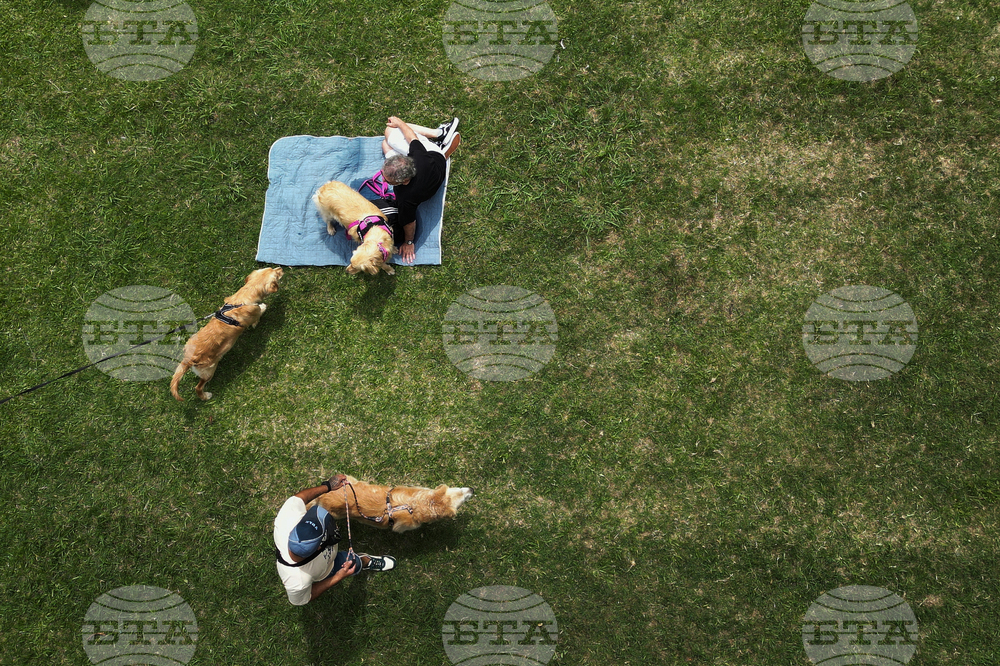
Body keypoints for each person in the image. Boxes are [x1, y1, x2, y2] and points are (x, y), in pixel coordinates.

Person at [273, 475, 396, 606]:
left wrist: (327, 486)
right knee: (353, 564)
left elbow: (300, 498)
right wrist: (338, 576)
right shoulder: (296, 581)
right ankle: (365, 561)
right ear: (320, 547)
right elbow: (305, 598)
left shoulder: (286, 520)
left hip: (321, 555)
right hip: (328, 567)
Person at [380, 116, 459, 264]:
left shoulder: (404, 196)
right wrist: (400, 123)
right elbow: (411, 136)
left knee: (387, 135)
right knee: (386, 142)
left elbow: (409, 222)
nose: (383, 180)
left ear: (404, 181)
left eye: (387, 180)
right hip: (436, 161)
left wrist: (409, 242)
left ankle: (440, 133)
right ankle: (439, 141)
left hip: (430, 181)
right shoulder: (418, 155)